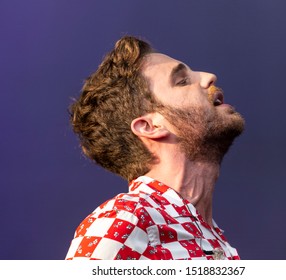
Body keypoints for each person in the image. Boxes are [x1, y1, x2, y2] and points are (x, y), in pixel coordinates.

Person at [65, 36, 245, 260]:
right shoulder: (124, 219)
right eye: (182, 81)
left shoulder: (210, 236)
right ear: (150, 126)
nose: (209, 77)